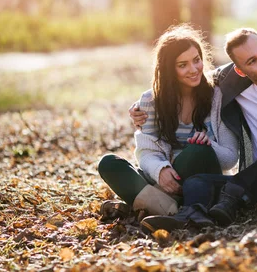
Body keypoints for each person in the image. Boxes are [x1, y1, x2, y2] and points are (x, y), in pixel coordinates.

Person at [130, 28, 257, 232]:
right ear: (239, 70)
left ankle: (236, 192)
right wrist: (140, 107)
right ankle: (190, 216)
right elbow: (189, 81)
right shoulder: (228, 84)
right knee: (196, 181)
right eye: (251, 61)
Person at [97, 24, 238, 223]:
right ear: (169, 69)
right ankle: (173, 209)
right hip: (162, 181)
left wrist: (209, 144)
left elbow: (231, 158)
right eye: (183, 65)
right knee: (109, 164)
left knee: (197, 151)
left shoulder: (216, 96)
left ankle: (146, 206)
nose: (194, 69)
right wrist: (161, 170)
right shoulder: (150, 102)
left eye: (196, 60)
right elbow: (146, 152)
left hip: (201, 181)